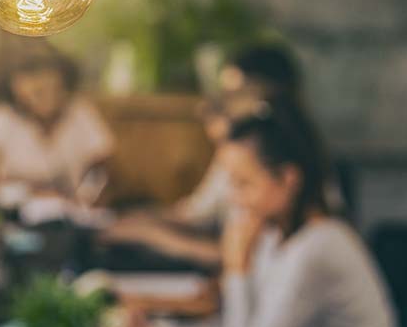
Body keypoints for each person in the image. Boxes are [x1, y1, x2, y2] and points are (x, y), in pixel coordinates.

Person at [216, 97, 407, 327]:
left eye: (243, 183)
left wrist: (237, 269)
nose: (233, 197)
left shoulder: (318, 248)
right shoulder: (275, 234)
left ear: (288, 179)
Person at [101, 43, 304, 268]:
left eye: (233, 95)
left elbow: (241, 256)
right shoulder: (235, 152)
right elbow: (197, 214)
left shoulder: (278, 171)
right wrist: (135, 221)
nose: (220, 105)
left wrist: (158, 237)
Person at [0, 35, 114, 200]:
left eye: (54, 88)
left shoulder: (80, 113)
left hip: (70, 213)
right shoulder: (0, 117)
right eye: (37, 92)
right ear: (16, 89)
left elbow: (105, 169)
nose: (47, 99)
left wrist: (90, 197)